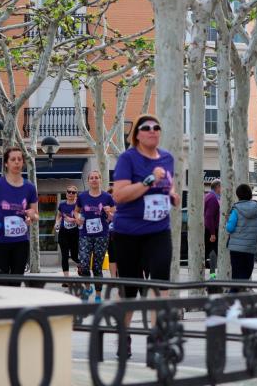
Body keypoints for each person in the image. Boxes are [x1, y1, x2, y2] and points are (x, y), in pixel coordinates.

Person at [112, 114, 179, 357]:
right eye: (146, 128)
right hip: (128, 233)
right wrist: (150, 180)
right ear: (137, 134)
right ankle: (123, 336)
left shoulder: (167, 158)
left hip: (159, 230)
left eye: (156, 127)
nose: (152, 131)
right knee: (129, 291)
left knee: (160, 284)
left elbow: (168, 184)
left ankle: (158, 338)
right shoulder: (128, 159)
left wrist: (172, 194)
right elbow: (118, 196)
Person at [0, 146, 39, 285]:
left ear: (23, 162)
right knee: (2, 283)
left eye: (19, 159)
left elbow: (35, 215)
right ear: (6, 163)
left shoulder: (30, 187)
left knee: (16, 283)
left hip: (21, 242)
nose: (17, 162)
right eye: (13, 159)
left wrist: (31, 217)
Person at [74, 170, 115, 303]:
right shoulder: (82, 196)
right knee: (84, 264)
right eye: (91, 178)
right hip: (85, 234)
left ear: (100, 180)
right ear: (88, 180)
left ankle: (98, 295)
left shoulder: (107, 197)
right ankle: (87, 288)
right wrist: (77, 218)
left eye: (96, 177)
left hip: (102, 235)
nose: (94, 180)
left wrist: (109, 213)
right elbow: (76, 211)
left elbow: (113, 216)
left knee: (97, 267)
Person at [226, 184, 257, 287]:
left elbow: (229, 228)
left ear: (238, 195)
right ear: (250, 194)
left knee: (236, 277)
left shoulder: (236, 209)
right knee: (245, 276)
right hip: (250, 248)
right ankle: (240, 297)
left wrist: (227, 221)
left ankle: (233, 297)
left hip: (236, 249)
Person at [55, 185, 80, 278]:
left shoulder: (78, 205)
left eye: (73, 192)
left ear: (76, 195)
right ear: (66, 194)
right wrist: (57, 223)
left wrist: (73, 220)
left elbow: (81, 219)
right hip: (63, 233)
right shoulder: (62, 204)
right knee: (64, 256)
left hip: (75, 233)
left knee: (74, 256)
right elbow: (59, 215)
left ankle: (80, 264)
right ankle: (66, 279)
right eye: (69, 192)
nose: (70, 194)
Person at [204, 179, 220, 279]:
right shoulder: (213, 198)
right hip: (211, 230)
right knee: (213, 252)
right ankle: (212, 275)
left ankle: (212, 274)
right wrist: (213, 233)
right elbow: (209, 216)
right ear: (218, 187)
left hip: (210, 229)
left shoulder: (209, 196)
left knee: (211, 252)